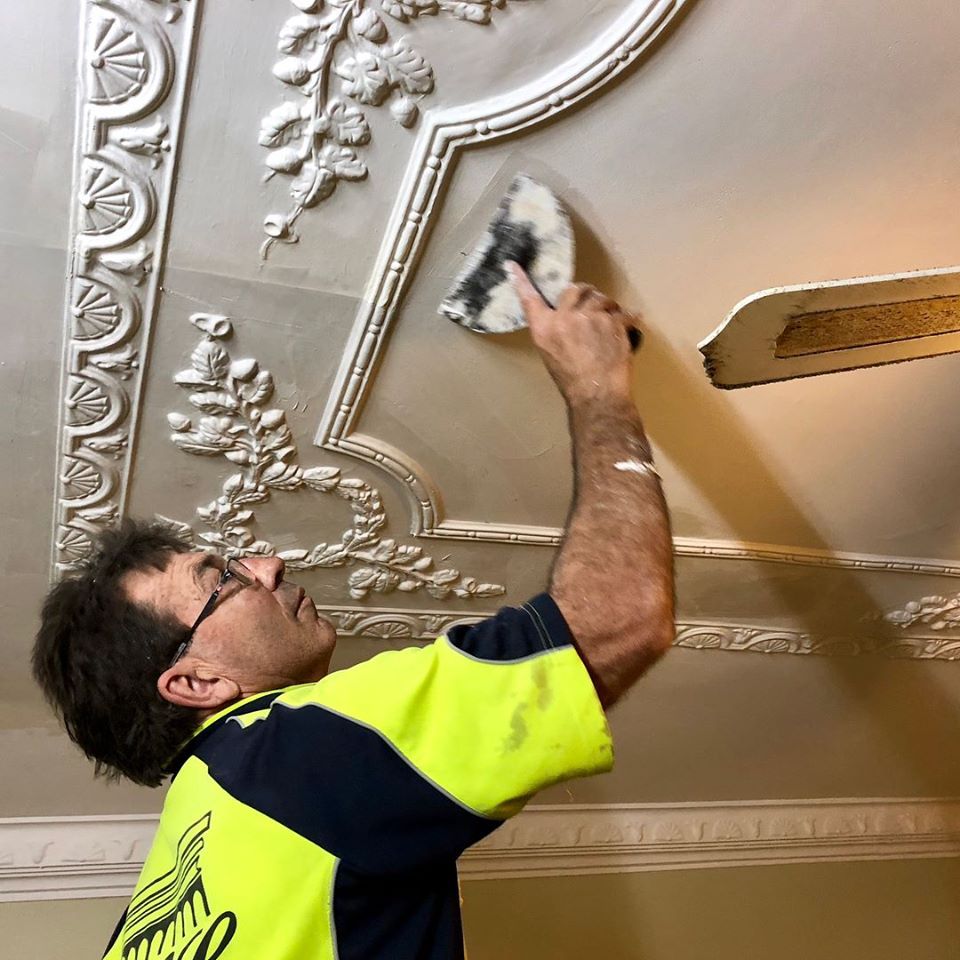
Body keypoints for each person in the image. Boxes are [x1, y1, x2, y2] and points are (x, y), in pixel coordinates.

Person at [33, 265, 675, 960]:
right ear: (195, 683)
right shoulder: (290, 760)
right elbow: (621, 614)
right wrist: (598, 390)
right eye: (224, 577)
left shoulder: (158, 904)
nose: (269, 564)